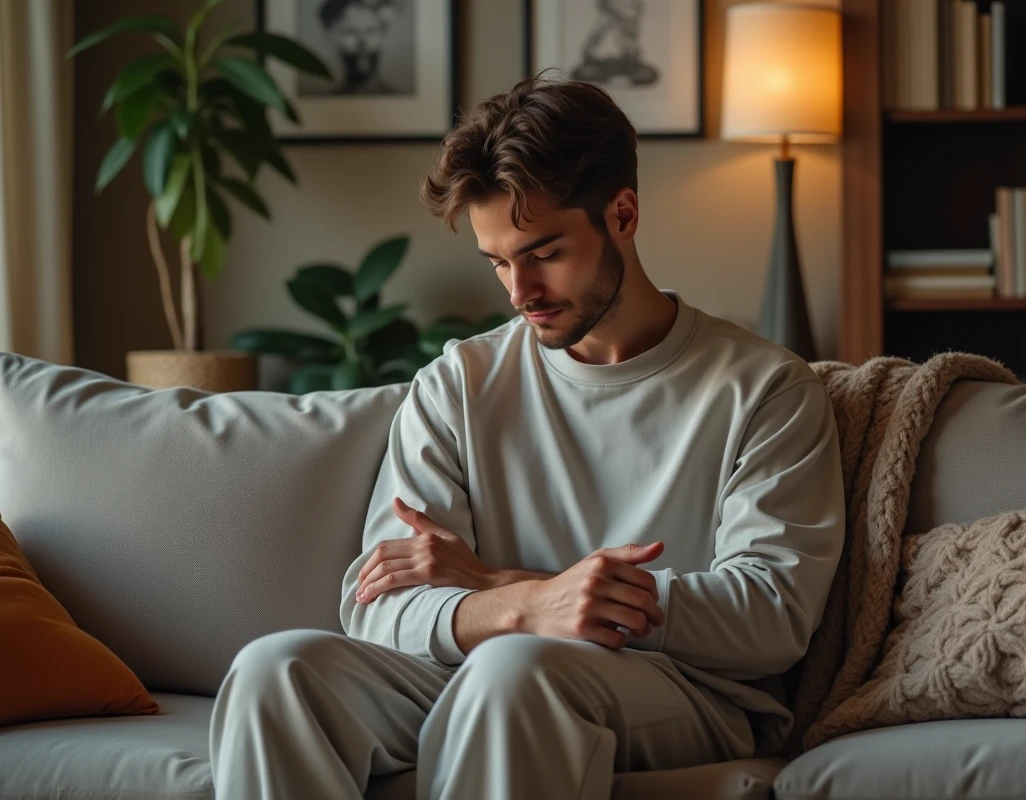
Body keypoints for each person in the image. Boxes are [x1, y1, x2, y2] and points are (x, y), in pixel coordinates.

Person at [208, 77, 845, 800]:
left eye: (543, 253)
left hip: (684, 691)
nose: (519, 292)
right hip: (485, 667)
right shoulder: (459, 383)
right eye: (499, 261)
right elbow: (376, 605)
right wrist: (525, 606)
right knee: (276, 672)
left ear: (624, 214)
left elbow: (773, 615)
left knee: (511, 671)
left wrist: (500, 582)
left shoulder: (765, 387)